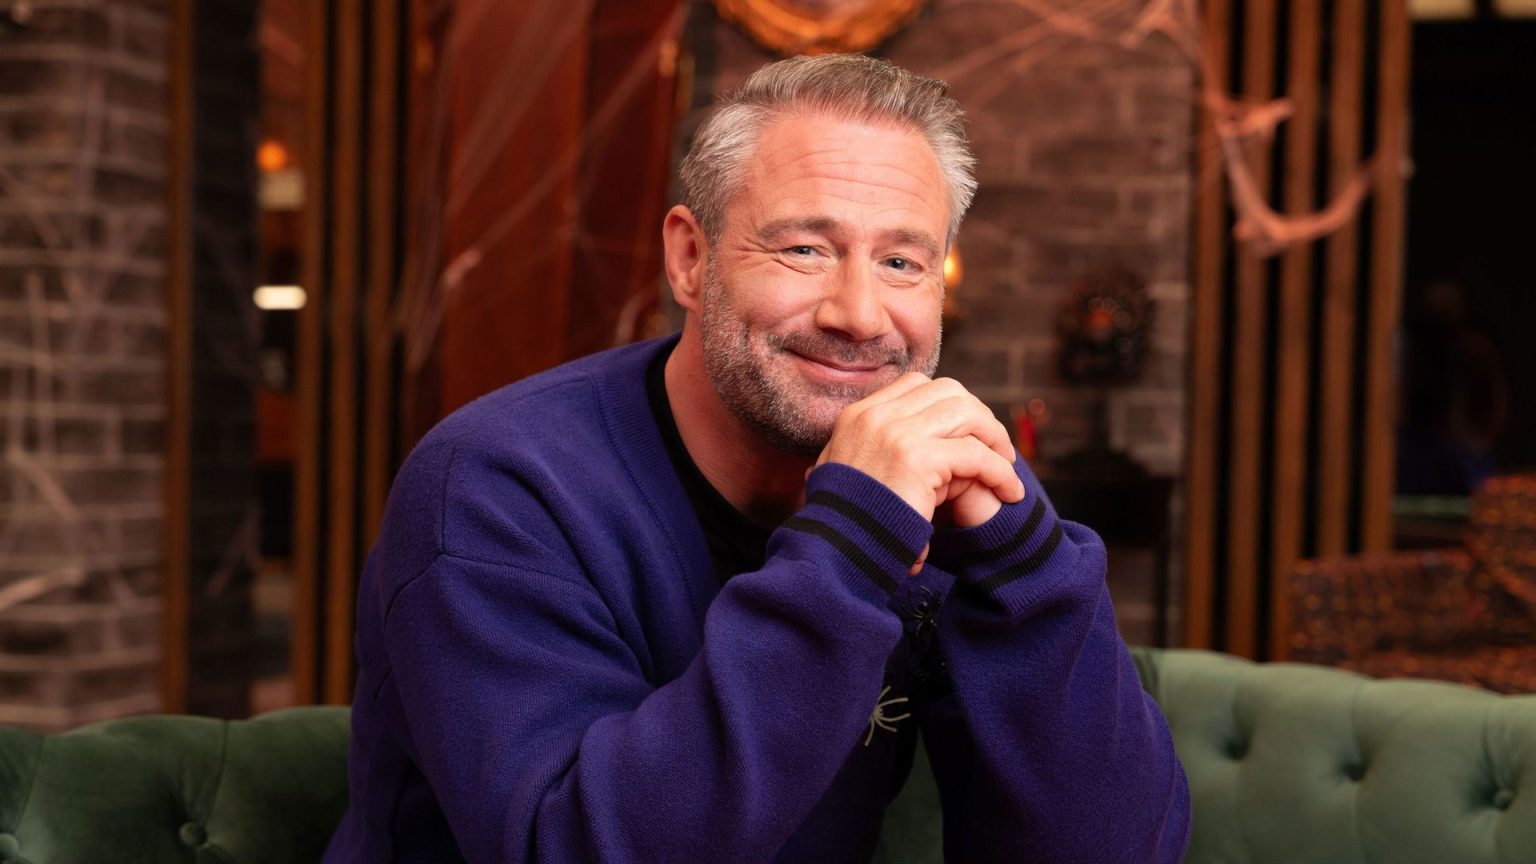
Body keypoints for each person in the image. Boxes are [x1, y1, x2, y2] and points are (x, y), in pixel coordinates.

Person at [324, 53, 1190, 864]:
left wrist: (1024, 564)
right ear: (690, 259)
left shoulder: (938, 484)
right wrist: (850, 550)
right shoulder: (493, 489)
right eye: (805, 249)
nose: (859, 314)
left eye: (901, 261)